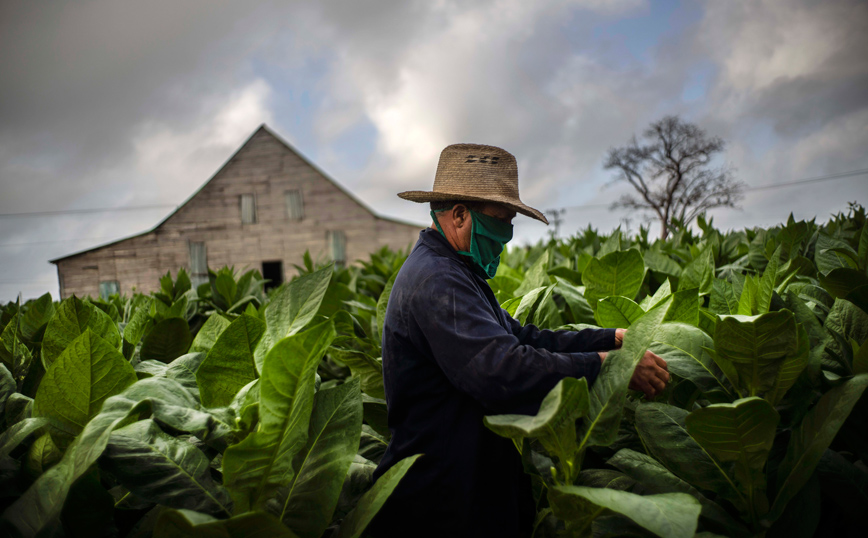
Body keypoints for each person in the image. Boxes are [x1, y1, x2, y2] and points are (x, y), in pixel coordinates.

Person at [368, 143, 669, 538]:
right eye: (500, 220)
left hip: (466, 486)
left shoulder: (456, 271)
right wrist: (609, 366)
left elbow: (524, 338)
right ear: (459, 214)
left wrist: (610, 339)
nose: (507, 234)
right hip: (441, 504)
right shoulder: (437, 280)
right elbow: (501, 369)